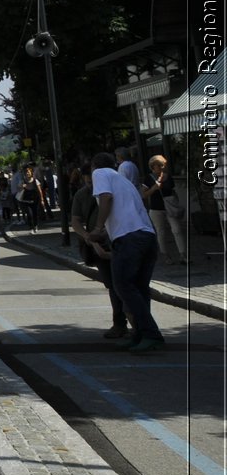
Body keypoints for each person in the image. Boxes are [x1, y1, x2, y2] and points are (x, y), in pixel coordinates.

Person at [88, 151, 164, 354]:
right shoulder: (123, 181)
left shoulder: (100, 173)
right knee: (139, 288)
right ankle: (140, 334)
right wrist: (105, 231)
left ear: (95, 166)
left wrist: (97, 228)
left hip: (129, 239)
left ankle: (150, 333)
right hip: (146, 236)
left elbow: (106, 198)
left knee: (122, 285)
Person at [68, 163, 128, 340]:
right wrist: (89, 238)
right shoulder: (82, 195)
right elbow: (76, 221)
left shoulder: (113, 191)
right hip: (99, 244)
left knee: (126, 284)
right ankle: (120, 324)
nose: (92, 187)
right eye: (88, 183)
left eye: (93, 182)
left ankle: (138, 325)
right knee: (112, 285)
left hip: (121, 239)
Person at [142, 155, 187, 265]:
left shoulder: (168, 177)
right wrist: (154, 188)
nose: (162, 167)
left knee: (177, 230)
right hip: (156, 208)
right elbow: (144, 195)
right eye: (159, 165)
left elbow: (172, 191)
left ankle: (183, 255)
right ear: (153, 166)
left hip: (170, 207)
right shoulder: (148, 178)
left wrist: (175, 202)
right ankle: (166, 255)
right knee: (161, 232)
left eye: (163, 165)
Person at [17, 167, 46, 232]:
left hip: (35, 199)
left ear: (31, 173)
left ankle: (35, 226)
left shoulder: (35, 180)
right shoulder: (22, 181)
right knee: (29, 214)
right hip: (26, 200)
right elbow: (18, 189)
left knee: (35, 213)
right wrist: (22, 186)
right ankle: (31, 226)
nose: (27, 173)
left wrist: (42, 200)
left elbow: (40, 191)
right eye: (26, 172)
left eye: (28, 172)